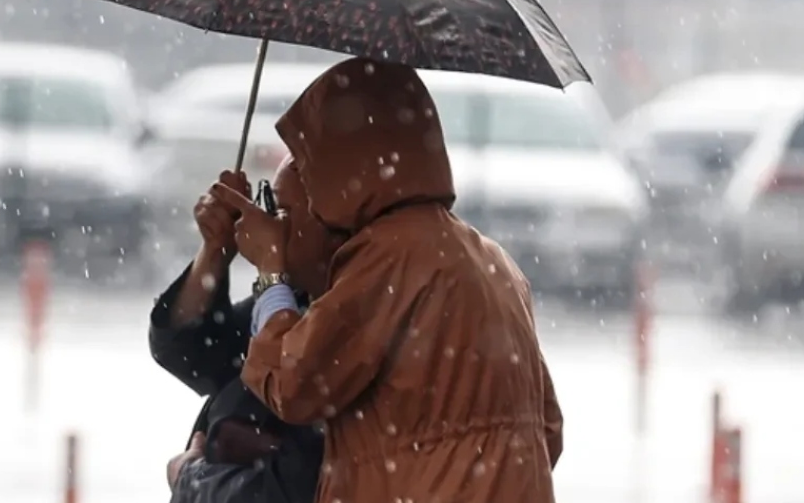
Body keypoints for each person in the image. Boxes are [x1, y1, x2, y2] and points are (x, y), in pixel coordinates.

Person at [211, 58, 564, 503]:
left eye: (285, 206)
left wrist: (269, 271)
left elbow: (293, 383)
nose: (280, 222)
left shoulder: (387, 260)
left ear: (338, 177)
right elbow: (548, 429)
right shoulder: (489, 259)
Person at [150, 159, 344, 503]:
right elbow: (189, 350)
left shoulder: (346, 326)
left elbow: (285, 492)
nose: (266, 225)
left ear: (332, 226)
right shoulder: (300, 299)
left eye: (280, 211)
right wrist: (214, 252)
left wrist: (191, 479)